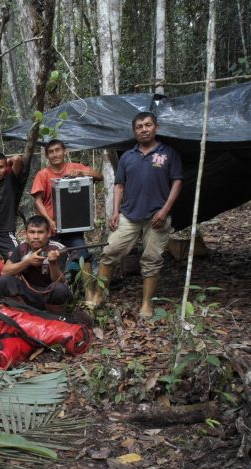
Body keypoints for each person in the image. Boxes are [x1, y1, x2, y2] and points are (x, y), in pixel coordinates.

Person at [88, 112, 183, 318]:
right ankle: (98, 296)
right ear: (134, 131)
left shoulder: (168, 153)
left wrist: (165, 210)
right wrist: (115, 211)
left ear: (156, 127)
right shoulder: (128, 156)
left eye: (148, 125)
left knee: (151, 258)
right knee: (110, 251)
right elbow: (119, 185)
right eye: (139, 126)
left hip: (157, 217)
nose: (144, 129)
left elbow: (177, 182)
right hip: (129, 215)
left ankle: (146, 304)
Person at [30, 139, 104, 275]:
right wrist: (49, 221)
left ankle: (83, 288)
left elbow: (99, 176)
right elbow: (37, 201)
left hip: (73, 225)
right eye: (51, 152)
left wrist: (83, 173)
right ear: (47, 156)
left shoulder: (75, 167)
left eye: (57, 150)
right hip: (52, 229)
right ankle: (59, 286)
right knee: (55, 259)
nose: (55, 154)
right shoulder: (43, 174)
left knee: (81, 254)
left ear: (64, 151)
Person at [0, 215, 72, 314]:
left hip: (49, 295)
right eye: (32, 232)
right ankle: (20, 313)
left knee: (59, 288)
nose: (36, 237)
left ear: (48, 233)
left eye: (40, 232)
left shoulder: (58, 249)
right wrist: (27, 262)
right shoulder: (21, 248)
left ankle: (54, 318)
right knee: (5, 280)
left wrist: (53, 263)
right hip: (27, 293)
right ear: (25, 234)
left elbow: (60, 281)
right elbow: (4, 271)